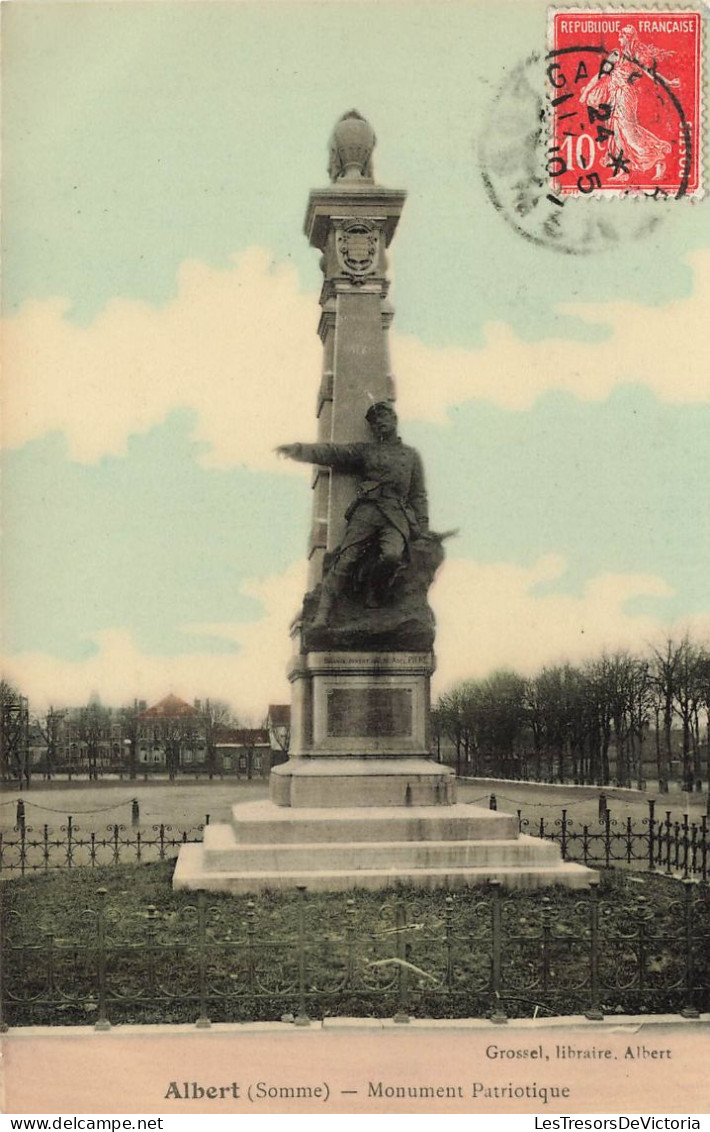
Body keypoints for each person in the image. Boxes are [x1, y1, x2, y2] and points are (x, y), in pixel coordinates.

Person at [276, 401, 429, 626]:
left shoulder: (411, 456)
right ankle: (322, 614)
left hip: (396, 516)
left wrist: (423, 528)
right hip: (368, 510)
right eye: (375, 423)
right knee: (345, 560)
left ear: (394, 421)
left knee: (392, 556)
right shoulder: (366, 451)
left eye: (384, 419)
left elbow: (418, 495)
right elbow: (333, 452)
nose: (379, 425)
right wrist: (298, 450)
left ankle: (374, 593)